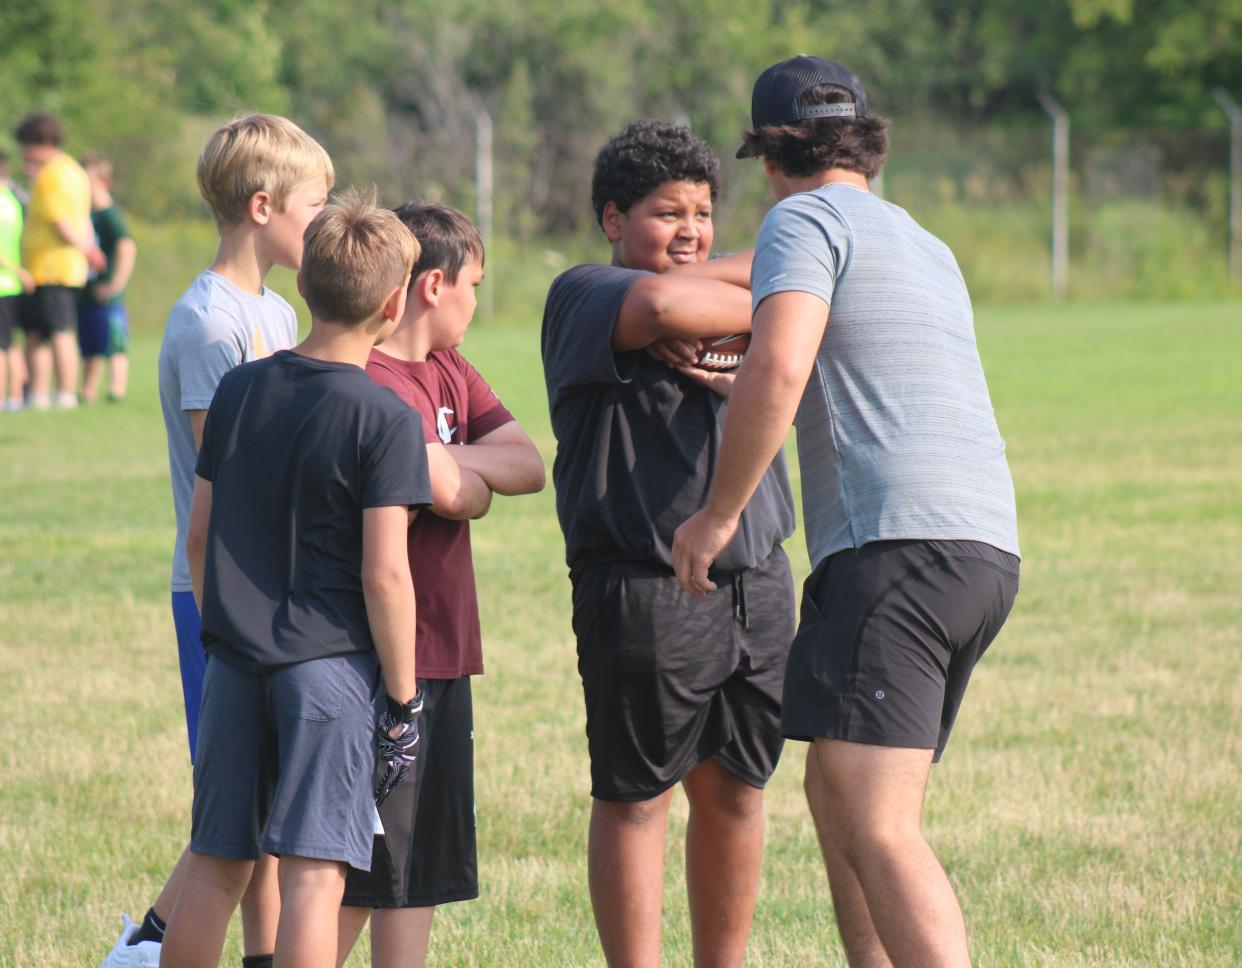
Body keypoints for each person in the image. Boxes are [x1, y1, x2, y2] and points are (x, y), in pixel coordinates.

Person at [672, 57, 1021, 968]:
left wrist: (715, 517)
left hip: (894, 549)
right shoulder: (917, 238)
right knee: (837, 791)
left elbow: (782, 366)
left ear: (769, 154)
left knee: (878, 821)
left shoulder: (802, 218)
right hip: (980, 548)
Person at [540, 120, 797, 967]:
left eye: (703, 211)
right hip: (645, 586)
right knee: (637, 797)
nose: (690, 230)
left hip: (757, 577)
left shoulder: (720, 271)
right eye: (665, 214)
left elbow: (785, 277)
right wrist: (749, 308)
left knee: (738, 793)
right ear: (613, 220)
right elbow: (658, 305)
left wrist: (732, 297)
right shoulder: (584, 293)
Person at [159, 187, 430, 968]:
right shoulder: (385, 418)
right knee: (314, 878)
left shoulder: (241, 389)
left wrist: (227, 634)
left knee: (216, 867)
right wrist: (405, 700)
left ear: (304, 284)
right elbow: (385, 573)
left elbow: (201, 533)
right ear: (393, 302)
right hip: (330, 671)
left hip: (236, 664)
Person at [99, 114, 334, 968]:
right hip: (223, 595)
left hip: (284, 594)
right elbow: (228, 480)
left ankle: (157, 943)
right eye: (318, 204)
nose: (328, 220)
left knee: (268, 805)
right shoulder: (209, 323)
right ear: (264, 205)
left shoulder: (277, 308)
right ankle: (151, 952)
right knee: (240, 811)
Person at [338, 202, 545, 968]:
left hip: (446, 652)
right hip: (386, 657)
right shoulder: (373, 378)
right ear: (432, 284)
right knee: (362, 871)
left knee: (415, 868)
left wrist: (452, 466)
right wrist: (456, 475)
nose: (477, 302)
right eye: (476, 285)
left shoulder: (450, 368)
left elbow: (525, 466)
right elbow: (453, 495)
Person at [13, 111, 102, 409]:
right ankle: (38, 394)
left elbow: (60, 220)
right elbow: (83, 218)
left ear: (41, 142)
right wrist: (88, 246)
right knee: (37, 333)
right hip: (52, 268)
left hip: (53, 267)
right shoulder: (75, 171)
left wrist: (86, 249)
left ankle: (64, 394)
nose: (25, 152)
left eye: (27, 144)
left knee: (59, 331)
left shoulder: (53, 174)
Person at [77, 152, 136, 403]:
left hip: (107, 298)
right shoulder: (84, 214)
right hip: (87, 293)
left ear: (104, 183)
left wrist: (114, 285)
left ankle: (116, 390)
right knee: (90, 346)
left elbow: (127, 247)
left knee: (114, 344)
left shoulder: (109, 214)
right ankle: (87, 391)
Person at [0, 151, 33, 410]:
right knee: (10, 342)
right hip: (13, 283)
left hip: (3, 280)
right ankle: (16, 395)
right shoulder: (14, 200)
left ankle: (5, 398)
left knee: (2, 345)